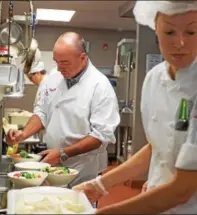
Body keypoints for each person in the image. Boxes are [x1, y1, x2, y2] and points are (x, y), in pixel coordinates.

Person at [73, 1, 197, 214]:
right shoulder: (154, 79)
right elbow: (157, 147)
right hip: (160, 203)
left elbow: (182, 190)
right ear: (156, 30)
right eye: (169, 32)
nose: (180, 42)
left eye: (191, 31)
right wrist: (99, 185)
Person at [7, 32, 120, 187]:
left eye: (65, 63)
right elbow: (42, 112)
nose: (59, 68)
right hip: (53, 161)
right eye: (56, 62)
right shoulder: (54, 77)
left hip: (83, 167)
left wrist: (63, 154)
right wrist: (23, 134)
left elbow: (100, 136)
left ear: (83, 58)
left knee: (77, 206)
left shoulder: (100, 86)